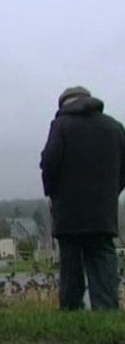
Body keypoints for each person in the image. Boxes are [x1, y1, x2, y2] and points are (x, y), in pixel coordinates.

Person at [40, 86, 125, 310]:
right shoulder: (115, 128)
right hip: (103, 213)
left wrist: (52, 193)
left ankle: (70, 311)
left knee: (70, 263)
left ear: (63, 104)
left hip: (68, 211)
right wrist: (111, 192)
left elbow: (49, 163)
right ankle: (106, 311)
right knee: (103, 258)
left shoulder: (61, 126)